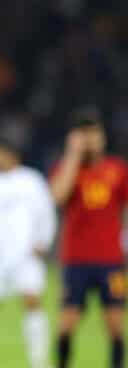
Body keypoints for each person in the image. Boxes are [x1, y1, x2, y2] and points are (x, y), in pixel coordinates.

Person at [0, 136, 56, 368]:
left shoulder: (32, 181)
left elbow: (46, 212)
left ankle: (39, 360)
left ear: (12, 155)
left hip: (25, 254)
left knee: (32, 301)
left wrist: (43, 241)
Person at [50, 116, 126, 368]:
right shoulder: (65, 168)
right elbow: (59, 197)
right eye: (84, 134)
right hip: (76, 260)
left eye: (94, 133)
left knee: (115, 325)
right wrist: (73, 155)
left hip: (111, 260)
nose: (91, 140)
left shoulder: (117, 169)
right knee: (67, 324)